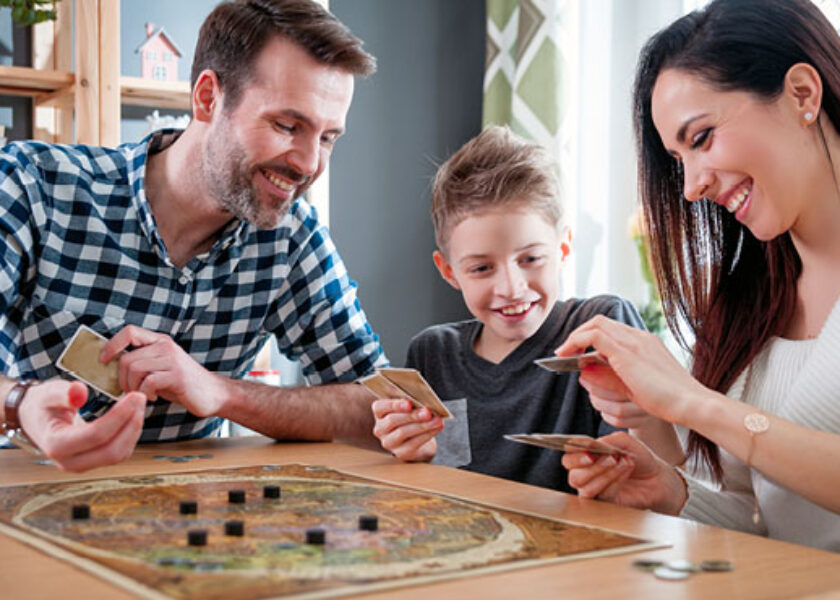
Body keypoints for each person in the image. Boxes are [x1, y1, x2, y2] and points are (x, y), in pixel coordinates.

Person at [0, 0, 388, 472]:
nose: (309, 165)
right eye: (288, 126)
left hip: (193, 524)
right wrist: (20, 402)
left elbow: (378, 405)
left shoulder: (292, 239)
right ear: (208, 98)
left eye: (328, 138)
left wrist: (220, 391)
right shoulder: (33, 187)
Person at [557, 0, 840, 552]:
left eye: (702, 137)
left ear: (802, 94)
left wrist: (690, 402)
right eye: (677, 158)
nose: (690, 188)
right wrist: (673, 492)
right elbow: (768, 524)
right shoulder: (748, 299)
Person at [370, 126, 651, 493]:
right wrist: (415, 456)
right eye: (482, 268)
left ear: (563, 247)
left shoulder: (602, 327)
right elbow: (437, 482)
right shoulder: (433, 353)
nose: (511, 288)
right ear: (449, 271)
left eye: (531, 258)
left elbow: (643, 473)